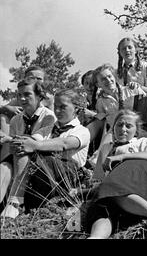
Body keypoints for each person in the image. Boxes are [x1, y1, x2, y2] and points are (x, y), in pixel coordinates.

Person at [87, 110, 147, 239]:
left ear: (136, 130)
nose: (123, 129)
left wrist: (122, 156)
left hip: (138, 182)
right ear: (113, 128)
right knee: (102, 202)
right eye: (119, 125)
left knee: (116, 181)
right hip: (114, 192)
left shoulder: (141, 142)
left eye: (128, 126)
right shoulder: (106, 147)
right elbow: (98, 180)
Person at [2, 89, 90, 217]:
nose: (58, 111)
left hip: (65, 177)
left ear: (76, 108)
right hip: (42, 175)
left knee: (42, 154)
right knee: (16, 155)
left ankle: (16, 201)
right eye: (56, 107)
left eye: (63, 107)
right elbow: (30, 141)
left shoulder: (82, 131)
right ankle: (14, 201)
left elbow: (64, 144)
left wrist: (35, 145)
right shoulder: (47, 129)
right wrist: (15, 141)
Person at [0, 80, 56, 217]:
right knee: (4, 166)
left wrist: (8, 139)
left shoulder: (49, 116)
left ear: (39, 96)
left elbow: (34, 142)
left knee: (21, 148)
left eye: (27, 94)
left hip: (42, 160)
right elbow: (14, 146)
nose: (22, 99)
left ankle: (15, 203)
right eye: (19, 95)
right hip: (19, 158)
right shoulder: (16, 120)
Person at [87, 64, 146, 164]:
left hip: (137, 126)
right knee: (110, 133)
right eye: (103, 79)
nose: (108, 80)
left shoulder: (131, 89)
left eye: (109, 76)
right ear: (98, 84)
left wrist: (139, 88)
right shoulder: (101, 102)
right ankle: (98, 159)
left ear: (114, 76)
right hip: (116, 131)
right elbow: (106, 122)